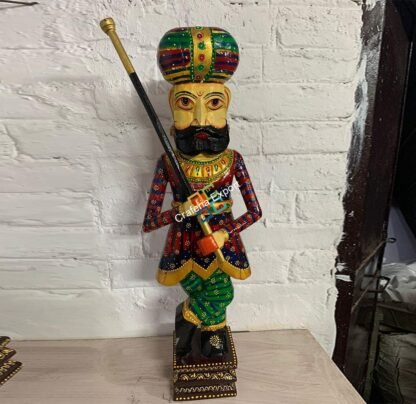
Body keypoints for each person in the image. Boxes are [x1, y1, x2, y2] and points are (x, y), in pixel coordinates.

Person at [142, 26, 262, 362]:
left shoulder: (233, 161)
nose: (199, 119)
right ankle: (206, 337)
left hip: (222, 246)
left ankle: (194, 330)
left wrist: (224, 232)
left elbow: (254, 211)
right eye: (185, 103)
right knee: (208, 294)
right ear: (172, 108)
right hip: (184, 248)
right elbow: (150, 221)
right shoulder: (169, 163)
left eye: (213, 104)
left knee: (221, 294)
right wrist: (182, 210)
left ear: (226, 106)